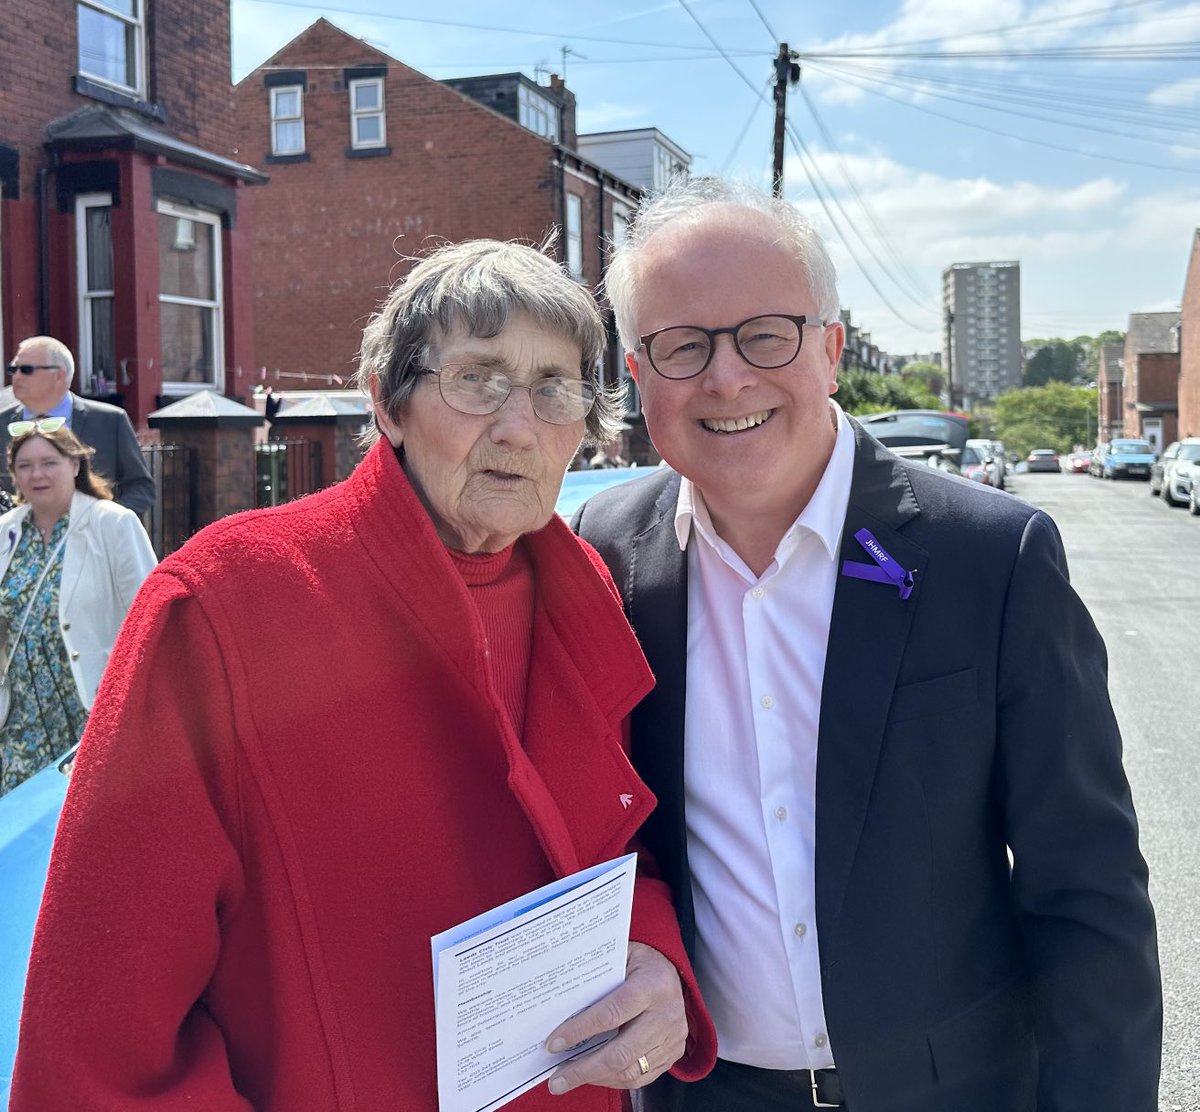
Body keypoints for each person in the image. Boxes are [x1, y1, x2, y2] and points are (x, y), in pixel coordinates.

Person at [10, 240, 716, 1110]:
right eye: (478, 380)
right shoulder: (228, 603)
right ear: (387, 402)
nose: (519, 425)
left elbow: (612, 853)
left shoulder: (587, 589)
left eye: (553, 388)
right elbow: (99, 1041)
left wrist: (653, 960)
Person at [572, 179, 1161, 1112]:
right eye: (682, 346)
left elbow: (1088, 899)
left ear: (833, 349)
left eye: (767, 333)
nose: (727, 378)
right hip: (709, 1095)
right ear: (638, 375)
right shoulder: (606, 556)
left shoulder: (990, 557)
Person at [0, 420, 156, 795]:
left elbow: (149, 617)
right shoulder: (6, 531)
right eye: (25, 465)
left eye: (49, 462)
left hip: (91, 713)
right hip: (20, 717)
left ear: (75, 464)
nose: (37, 474)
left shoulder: (113, 523)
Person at [2, 336, 156, 515]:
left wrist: (106, 523)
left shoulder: (109, 420)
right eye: (13, 369)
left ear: (59, 375)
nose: (16, 376)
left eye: (26, 369)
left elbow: (141, 487)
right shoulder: (3, 423)